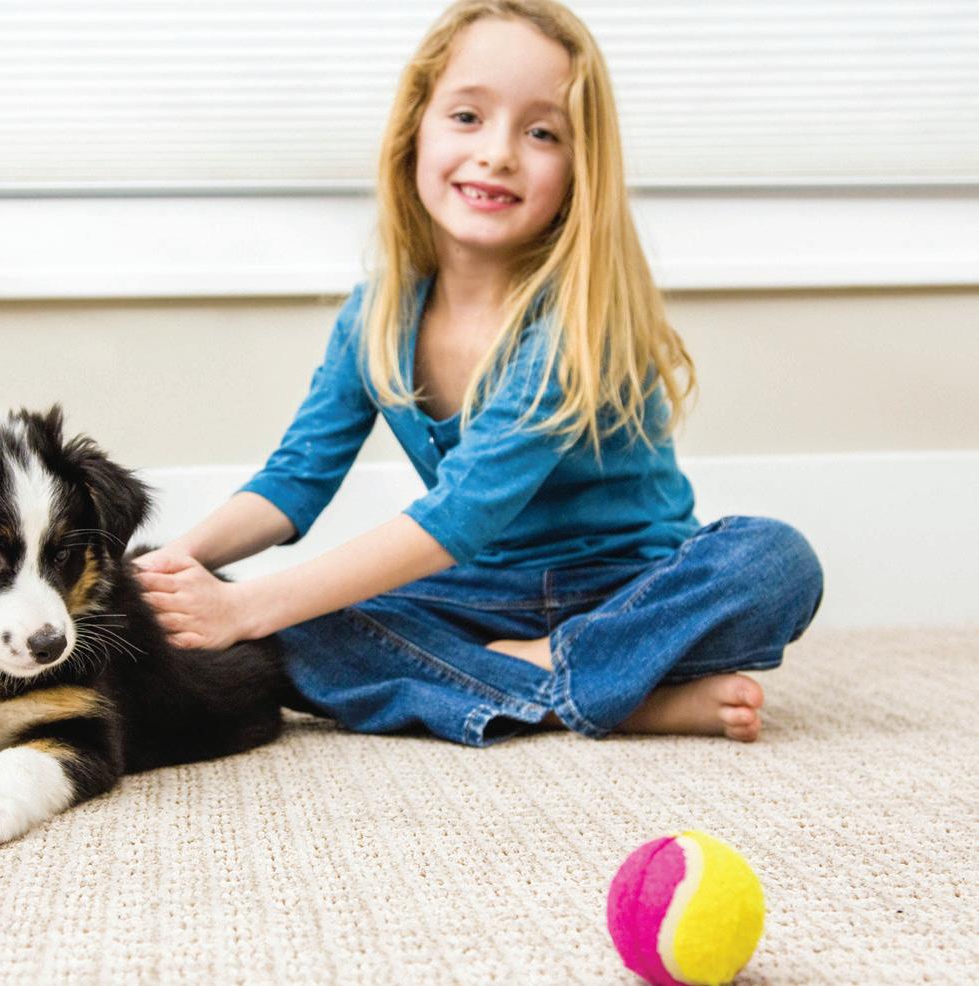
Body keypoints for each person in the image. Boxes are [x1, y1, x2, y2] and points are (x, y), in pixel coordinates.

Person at [133, 0, 824, 746]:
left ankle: (546, 669)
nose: (498, 154)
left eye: (541, 133)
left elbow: (459, 516)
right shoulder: (376, 316)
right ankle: (612, 696)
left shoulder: (572, 323)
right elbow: (295, 478)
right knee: (293, 631)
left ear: (580, 169)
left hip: (629, 587)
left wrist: (247, 608)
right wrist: (173, 563)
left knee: (774, 562)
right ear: (415, 130)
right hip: (476, 593)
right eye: (467, 117)